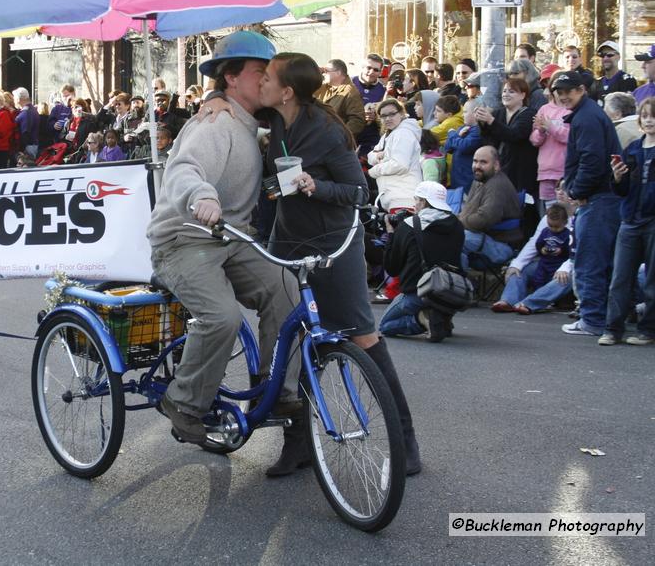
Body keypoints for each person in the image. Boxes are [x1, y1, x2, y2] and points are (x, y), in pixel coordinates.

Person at [256, 52, 422, 476]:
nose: (261, 83)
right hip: (288, 242)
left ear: (287, 90)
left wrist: (317, 186)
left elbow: (358, 191)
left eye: (268, 78)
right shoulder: (277, 120)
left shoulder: (326, 129)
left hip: (335, 245)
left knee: (363, 338)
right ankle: (299, 445)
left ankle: (405, 443)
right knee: (295, 343)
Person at [146, 31, 301, 451]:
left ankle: (279, 392)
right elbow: (183, 170)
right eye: (258, 72)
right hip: (185, 239)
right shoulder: (216, 123)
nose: (266, 80)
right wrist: (202, 194)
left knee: (286, 289)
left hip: (231, 238)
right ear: (231, 80)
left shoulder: (254, 123)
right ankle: (184, 403)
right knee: (222, 318)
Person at [552, 70, 622, 336]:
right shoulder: (587, 114)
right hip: (601, 197)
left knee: (590, 262)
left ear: (582, 89)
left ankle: (593, 319)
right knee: (602, 262)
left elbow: (592, 161)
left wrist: (577, 190)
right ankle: (606, 317)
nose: (563, 96)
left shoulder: (587, 118)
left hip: (597, 198)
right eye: (559, 92)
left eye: (568, 90)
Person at [380, 181, 465, 343]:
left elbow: (392, 269)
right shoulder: (457, 225)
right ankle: (441, 317)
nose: (414, 204)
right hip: (450, 293)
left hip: (418, 293)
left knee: (385, 326)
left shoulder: (408, 226)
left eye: (416, 199)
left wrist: (392, 234)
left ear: (424, 202)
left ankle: (423, 320)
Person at [601, 97, 655, 346]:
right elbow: (621, 190)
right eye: (645, 116)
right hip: (630, 219)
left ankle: (647, 330)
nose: (649, 120)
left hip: (652, 220)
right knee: (620, 277)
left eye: (653, 116)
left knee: (652, 281)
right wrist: (617, 176)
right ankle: (613, 329)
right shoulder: (633, 148)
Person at [493, 204, 572, 313]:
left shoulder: (581, 218)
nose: (561, 193)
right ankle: (508, 300)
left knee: (565, 278)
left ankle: (529, 303)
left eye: (565, 190)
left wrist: (565, 268)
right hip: (546, 261)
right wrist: (517, 264)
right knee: (520, 270)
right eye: (558, 189)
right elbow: (535, 242)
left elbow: (580, 251)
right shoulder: (548, 218)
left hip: (568, 263)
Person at [459, 146, 523, 269]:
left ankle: (460, 284)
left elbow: (484, 219)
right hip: (481, 237)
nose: (477, 166)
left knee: (453, 238)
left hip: (501, 246)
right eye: (475, 161)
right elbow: (468, 211)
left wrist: (457, 222)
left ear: (496, 165)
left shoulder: (497, 185)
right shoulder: (479, 180)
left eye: (483, 162)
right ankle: (458, 282)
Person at [476, 77, 538, 199]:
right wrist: (482, 125)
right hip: (500, 171)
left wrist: (490, 121)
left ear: (523, 95)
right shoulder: (498, 113)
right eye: (504, 91)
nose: (506, 94)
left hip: (520, 173)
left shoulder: (529, 114)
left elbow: (514, 135)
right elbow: (488, 142)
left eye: (511, 91)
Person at [367, 98, 422, 212]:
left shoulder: (403, 133)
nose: (387, 118)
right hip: (394, 196)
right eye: (383, 116)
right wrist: (377, 156)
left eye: (392, 114)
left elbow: (400, 165)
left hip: (404, 197)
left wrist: (374, 171)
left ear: (401, 114)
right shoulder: (389, 134)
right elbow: (371, 155)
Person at [530, 76, 571, 207]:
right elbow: (534, 140)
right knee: (550, 214)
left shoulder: (571, 109)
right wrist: (541, 131)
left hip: (565, 170)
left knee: (566, 212)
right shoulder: (544, 109)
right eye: (556, 89)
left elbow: (570, 137)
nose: (560, 93)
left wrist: (551, 127)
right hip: (545, 171)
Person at [315, 59, 366, 137]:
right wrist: (315, 71)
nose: (324, 74)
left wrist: (339, 136)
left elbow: (357, 121)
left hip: (334, 141)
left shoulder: (350, 92)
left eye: (326, 71)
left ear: (338, 73)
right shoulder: (323, 87)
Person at [443, 100, 484, 194]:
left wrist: (453, 134)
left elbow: (464, 146)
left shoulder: (478, 131)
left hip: (467, 181)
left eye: (465, 112)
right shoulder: (463, 128)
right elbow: (447, 148)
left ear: (475, 113)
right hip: (456, 180)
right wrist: (458, 137)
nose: (462, 115)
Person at [13, 87, 40, 158]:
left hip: (28, 147)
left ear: (19, 99)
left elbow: (25, 132)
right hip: (30, 145)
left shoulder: (27, 112)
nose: (14, 100)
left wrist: (21, 149)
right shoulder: (30, 110)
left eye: (15, 98)